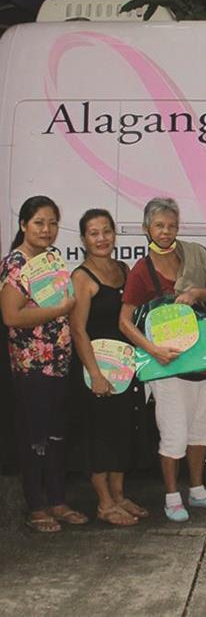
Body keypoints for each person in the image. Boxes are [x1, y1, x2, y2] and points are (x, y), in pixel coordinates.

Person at [118, 197, 206, 522]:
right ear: (146, 229)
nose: (166, 232)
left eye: (171, 226)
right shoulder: (141, 270)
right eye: (159, 226)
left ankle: (197, 491)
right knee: (174, 431)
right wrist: (154, 350)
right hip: (166, 365)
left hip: (199, 358)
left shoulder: (193, 254)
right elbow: (124, 322)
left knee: (202, 428)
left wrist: (196, 293)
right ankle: (171, 497)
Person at [0, 196, 86, 533]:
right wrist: (58, 311)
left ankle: (58, 500)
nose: (47, 230)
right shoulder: (16, 263)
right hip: (32, 367)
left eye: (52, 223)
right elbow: (11, 315)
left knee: (56, 434)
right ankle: (36, 506)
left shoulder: (52, 258)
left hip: (59, 364)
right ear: (23, 225)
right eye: (39, 222)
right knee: (34, 436)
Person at [69, 209, 149, 526]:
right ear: (84, 239)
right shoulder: (82, 277)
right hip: (96, 371)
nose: (101, 238)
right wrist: (96, 375)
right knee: (98, 436)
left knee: (121, 432)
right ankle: (104, 503)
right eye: (93, 233)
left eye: (107, 231)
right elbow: (78, 329)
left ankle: (119, 494)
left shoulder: (124, 269)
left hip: (124, 370)